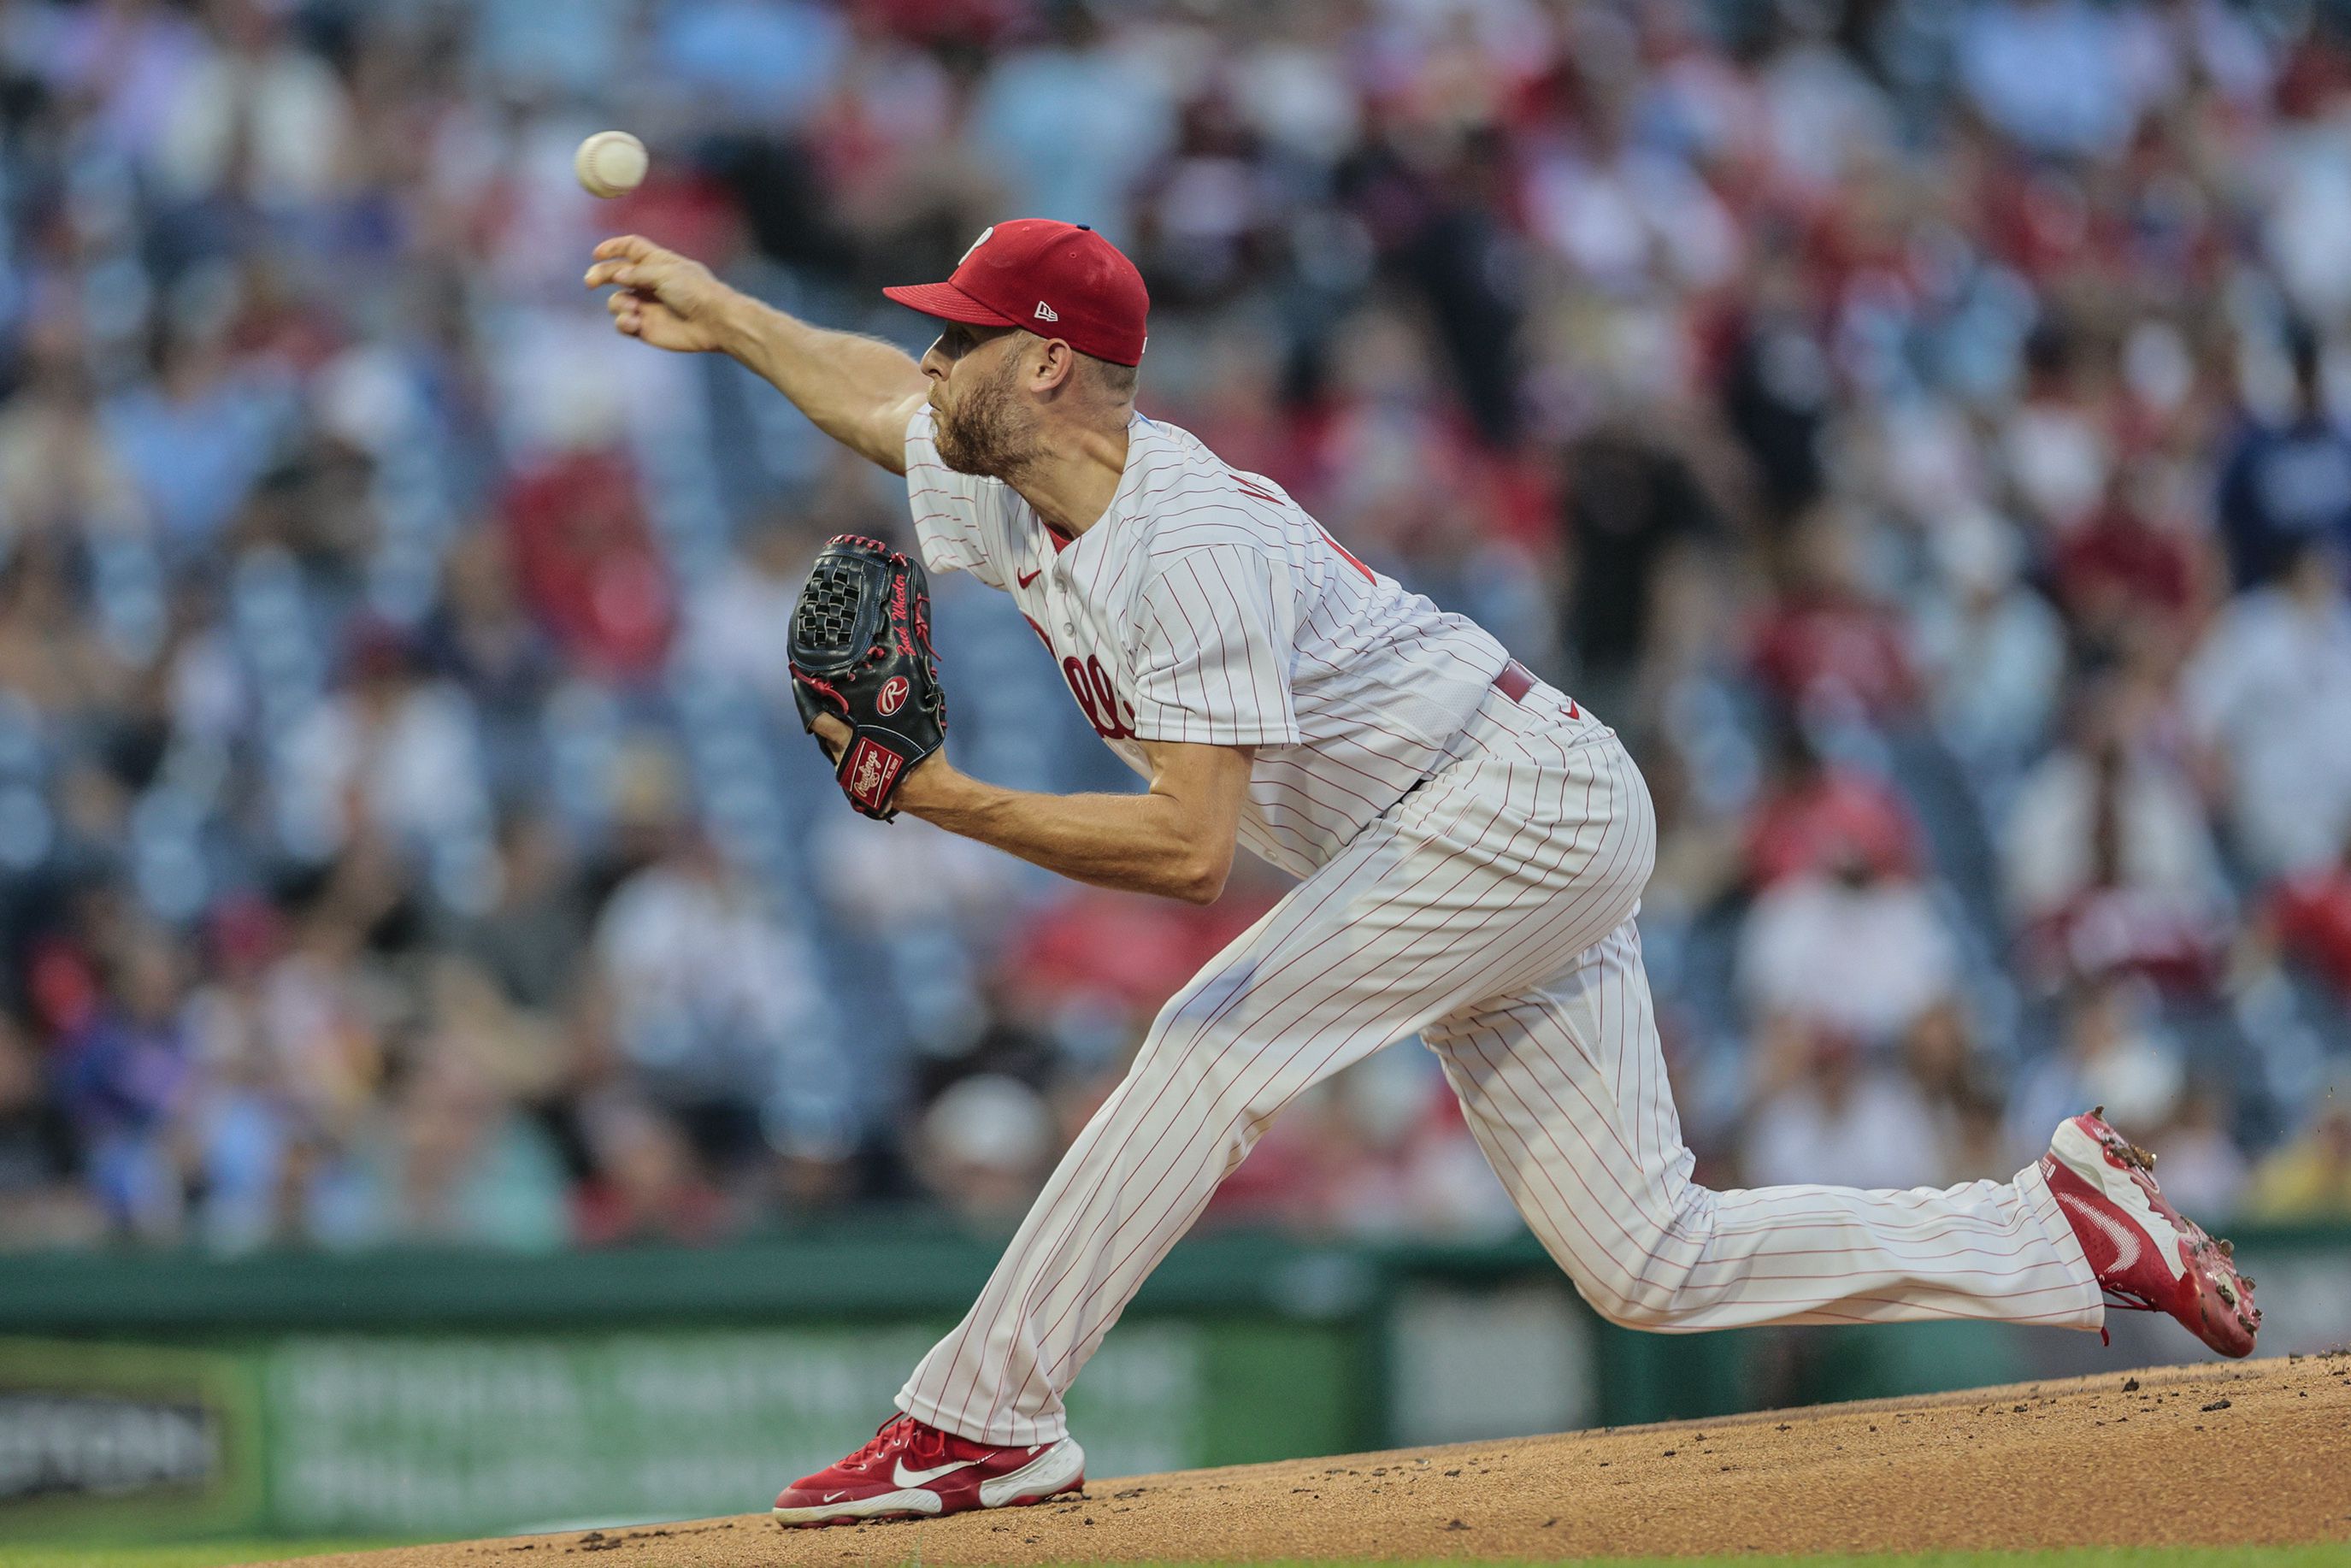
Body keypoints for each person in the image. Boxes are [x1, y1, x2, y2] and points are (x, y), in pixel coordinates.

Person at [584, 220, 2260, 1529]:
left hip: (1508, 805)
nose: (927, 352)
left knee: (1212, 1037)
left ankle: (981, 1417)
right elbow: (869, 393)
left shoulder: (1189, 545)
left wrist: (944, 798)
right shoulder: (1003, 467)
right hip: (1452, 833)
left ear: (1041, 365)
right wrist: (726, 313)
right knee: (1644, 1258)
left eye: (957, 329)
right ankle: (2053, 1226)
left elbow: (1181, 851)